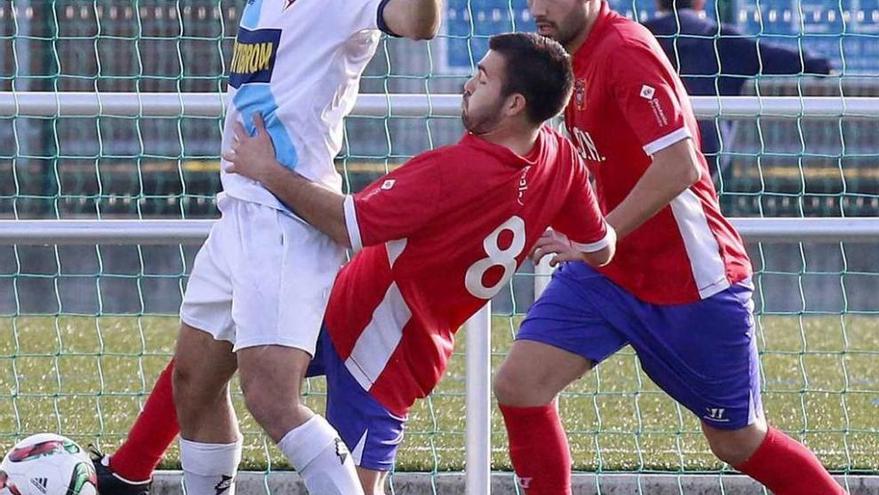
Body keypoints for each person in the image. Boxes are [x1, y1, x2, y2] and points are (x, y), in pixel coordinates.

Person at [94, 32, 616, 495]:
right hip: (348, 303)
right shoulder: (560, 158)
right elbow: (603, 246)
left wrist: (268, 170)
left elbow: (347, 223)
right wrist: (577, 248)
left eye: (481, 79)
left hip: (385, 350)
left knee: (355, 482)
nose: (467, 85)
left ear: (513, 105)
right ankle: (130, 470)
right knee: (209, 351)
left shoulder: (452, 171)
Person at [88, 1, 442, 494]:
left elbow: (420, 25)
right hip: (235, 210)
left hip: (286, 223)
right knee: (193, 384)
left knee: (272, 398)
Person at [491, 1, 845, 494]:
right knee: (520, 386)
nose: (538, 8)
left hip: (690, 279)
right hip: (608, 272)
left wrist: (598, 236)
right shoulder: (566, 57)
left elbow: (681, 165)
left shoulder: (626, 50)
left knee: (737, 441)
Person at [643, 0, 832, 177]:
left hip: (648, 146)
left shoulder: (640, 38)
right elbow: (773, 57)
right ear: (700, 2)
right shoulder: (722, 41)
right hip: (706, 151)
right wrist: (819, 65)